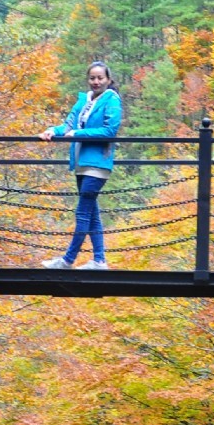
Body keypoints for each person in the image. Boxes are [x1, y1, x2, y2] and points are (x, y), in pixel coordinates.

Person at [38, 61, 123, 270]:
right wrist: (52, 131)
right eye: (92, 78)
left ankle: (67, 260)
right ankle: (99, 260)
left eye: (100, 78)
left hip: (98, 162)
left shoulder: (112, 100)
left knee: (83, 213)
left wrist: (79, 133)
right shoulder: (84, 101)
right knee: (91, 213)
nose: (96, 82)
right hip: (81, 162)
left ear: (108, 80)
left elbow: (109, 131)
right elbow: (68, 125)